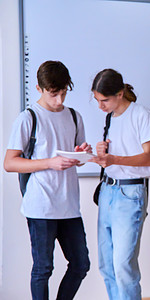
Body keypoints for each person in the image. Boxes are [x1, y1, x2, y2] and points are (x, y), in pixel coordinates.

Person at [3, 60, 91, 300]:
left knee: (81, 265)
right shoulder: (28, 118)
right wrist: (49, 162)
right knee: (43, 269)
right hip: (41, 206)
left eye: (63, 93)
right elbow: (10, 163)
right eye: (54, 94)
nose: (60, 100)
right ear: (39, 89)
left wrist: (81, 153)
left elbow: (80, 159)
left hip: (70, 205)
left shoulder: (74, 116)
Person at [89, 69, 150, 300]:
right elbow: (114, 155)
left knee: (123, 266)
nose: (100, 106)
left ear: (120, 93)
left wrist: (114, 159)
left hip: (130, 193)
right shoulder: (109, 117)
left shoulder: (142, 115)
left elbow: (149, 157)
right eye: (97, 100)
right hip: (108, 191)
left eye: (104, 100)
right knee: (106, 266)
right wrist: (102, 153)